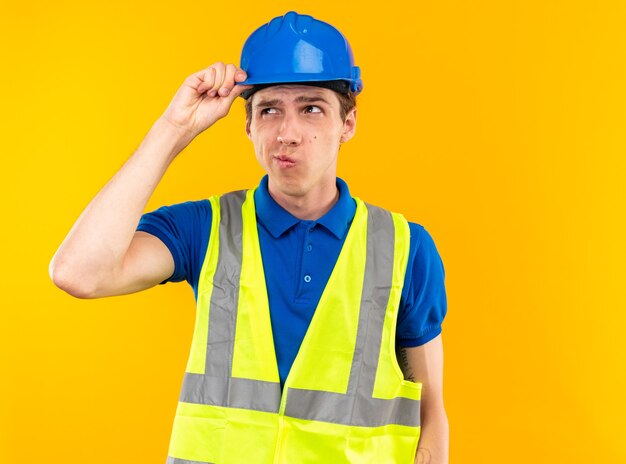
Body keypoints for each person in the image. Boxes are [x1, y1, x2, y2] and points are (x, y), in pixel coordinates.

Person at [50, 11, 449, 464]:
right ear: (248, 126)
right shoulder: (204, 229)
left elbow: (431, 417)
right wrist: (174, 129)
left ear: (348, 123)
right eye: (269, 110)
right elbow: (78, 273)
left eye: (312, 108)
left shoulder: (404, 248)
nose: (288, 133)